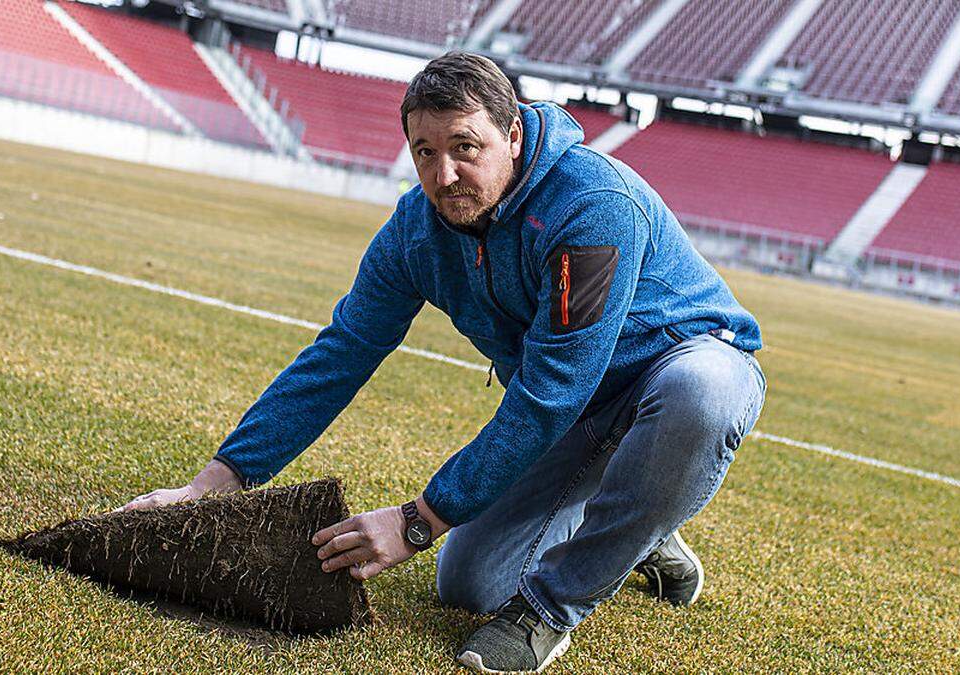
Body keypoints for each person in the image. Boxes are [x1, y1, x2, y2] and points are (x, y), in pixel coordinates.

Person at [118, 52, 766, 673]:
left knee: (700, 396)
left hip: (680, 364)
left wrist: (416, 521)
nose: (444, 174)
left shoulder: (592, 205)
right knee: (469, 581)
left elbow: (550, 392)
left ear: (512, 135)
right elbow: (343, 352)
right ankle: (642, 524)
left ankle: (550, 608)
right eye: (424, 153)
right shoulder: (415, 233)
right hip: (578, 414)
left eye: (465, 147)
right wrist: (216, 481)